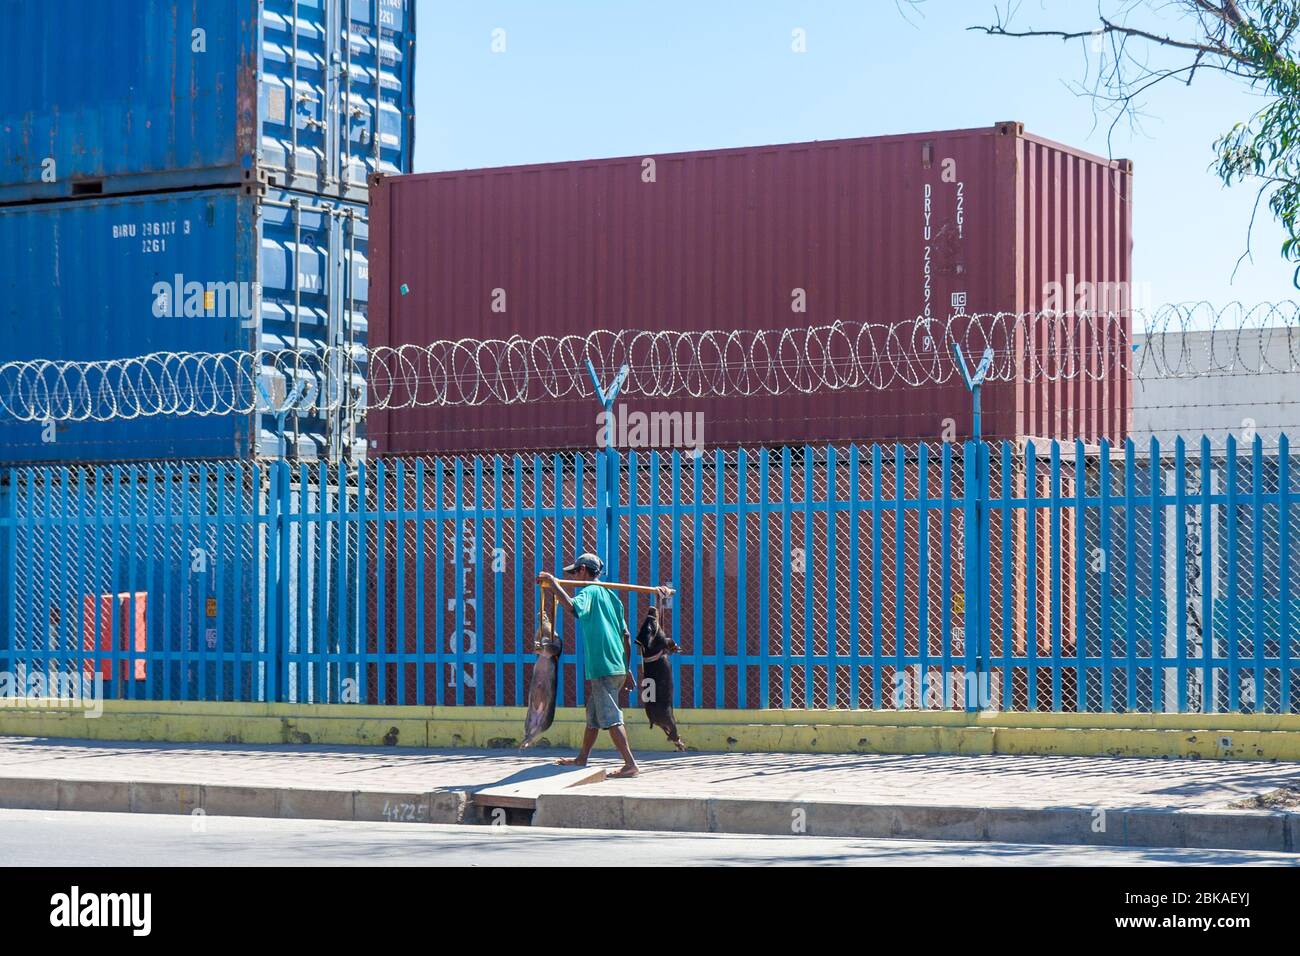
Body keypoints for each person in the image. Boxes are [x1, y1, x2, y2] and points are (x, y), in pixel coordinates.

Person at [537, 553, 666, 778]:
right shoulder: (611, 597)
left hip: (602, 664)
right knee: (594, 715)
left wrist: (555, 584)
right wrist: (625, 669)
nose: (575, 577)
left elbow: (573, 608)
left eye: (576, 572)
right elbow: (625, 636)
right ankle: (582, 758)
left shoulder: (589, 592)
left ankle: (630, 764)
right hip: (616, 664)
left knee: (611, 717)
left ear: (585, 570)